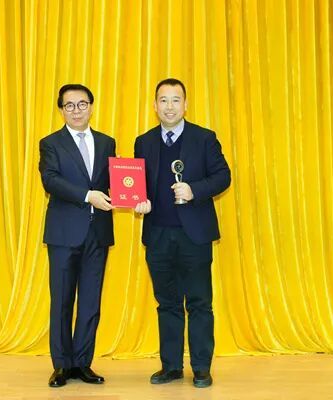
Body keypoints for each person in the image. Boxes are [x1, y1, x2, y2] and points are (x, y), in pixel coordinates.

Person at [134, 78, 231, 388]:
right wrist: (139, 201)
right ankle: (171, 366)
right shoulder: (144, 142)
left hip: (194, 235)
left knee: (200, 302)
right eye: (163, 100)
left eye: (176, 100)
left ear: (186, 105)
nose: (169, 106)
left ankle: (201, 367)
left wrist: (194, 190)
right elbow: (138, 184)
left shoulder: (204, 138)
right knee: (167, 303)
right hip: (158, 235)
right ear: (154, 106)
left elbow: (223, 176)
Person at [39, 84, 116, 388]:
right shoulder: (51, 143)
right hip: (63, 234)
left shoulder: (107, 142)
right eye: (69, 105)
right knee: (61, 301)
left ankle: (83, 363)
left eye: (82, 104)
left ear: (91, 107)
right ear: (61, 110)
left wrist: (135, 196)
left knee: (90, 302)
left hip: (98, 234)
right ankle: (62, 365)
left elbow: (116, 182)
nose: (76, 110)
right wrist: (87, 196)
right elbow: (50, 180)